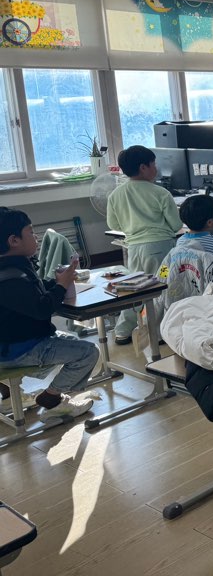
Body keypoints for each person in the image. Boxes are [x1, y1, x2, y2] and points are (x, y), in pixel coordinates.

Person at [0, 208, 99, 421]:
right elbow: (41, 308)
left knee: (72, 342)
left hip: (12, 344)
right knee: (88, 352)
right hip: (19, 349)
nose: (36, 237)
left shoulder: (13, 267)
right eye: (30, 232)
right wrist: (61, 286)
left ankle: (16, 396)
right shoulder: (11, 276)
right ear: (14, 240)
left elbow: (32, 292)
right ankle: (53, 398)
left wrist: (56, 283)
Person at [107, 145, 181, 345]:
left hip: (134, 250)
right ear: (143, 167)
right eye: (153, 164)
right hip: (162, 251)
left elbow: (113, 224)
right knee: (160, 287)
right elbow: (176, 225)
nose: (156, 168)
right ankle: (157, 332)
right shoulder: (160, 193)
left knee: (134, 287)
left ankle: (122, 331)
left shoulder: (116, 195)